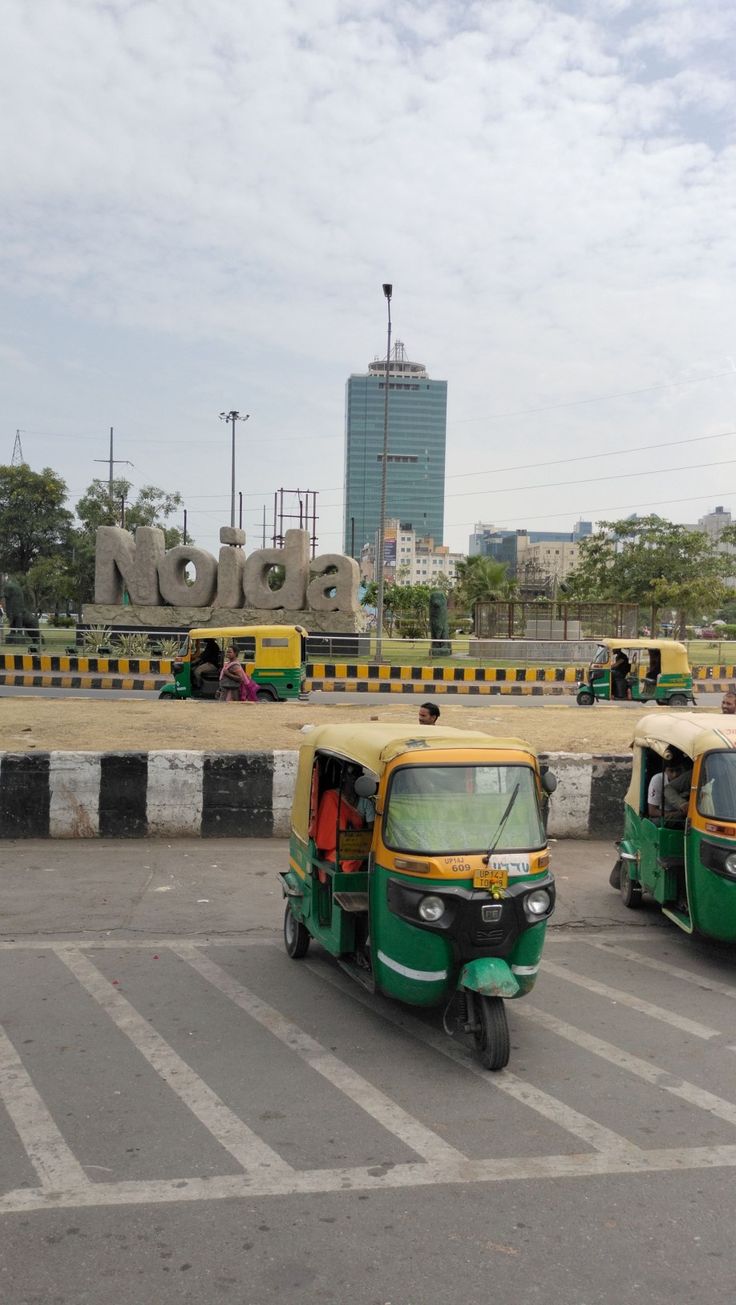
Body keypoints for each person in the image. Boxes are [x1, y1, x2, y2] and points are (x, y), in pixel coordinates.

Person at [315, 769, 365, 872]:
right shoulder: (330, 796)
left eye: (357, 775)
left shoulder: (365, 800)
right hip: (337, 848)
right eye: (351, 775)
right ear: (343, 777)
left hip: (358, 845)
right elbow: (329, 830)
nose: (354, 779)